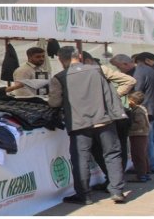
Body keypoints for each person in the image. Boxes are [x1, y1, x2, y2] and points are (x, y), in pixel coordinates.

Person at [48, 47, 128, 205]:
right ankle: (117, 191)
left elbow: (54, 102)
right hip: (104, 120)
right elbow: (127, 80)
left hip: (79, 124)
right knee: (112, 155)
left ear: (60, 59)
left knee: (80, 159)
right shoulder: (98, 70)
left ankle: (84, 196)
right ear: (78, 56)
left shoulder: (59, 77)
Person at [111, 54, 154, 174]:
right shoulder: (146, 68)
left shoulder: (137, 73)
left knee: (146, 141)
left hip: (146, 110)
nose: (119, 70)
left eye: (118, 67)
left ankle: (148, 166)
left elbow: (136, 93)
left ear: (125, 64)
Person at [125, 91, 152, 182]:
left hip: (138, 134)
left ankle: (141, 175)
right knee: (142, 154)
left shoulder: (138, 111)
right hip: (140, 134)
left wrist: (129, 128)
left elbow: (140, 123)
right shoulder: (140, 109)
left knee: (137, 155)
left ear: (132, 101)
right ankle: (145, 172)